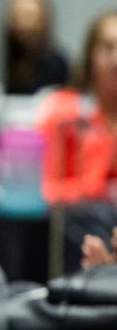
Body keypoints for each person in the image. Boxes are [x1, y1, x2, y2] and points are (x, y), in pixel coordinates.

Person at [36, 10, 117, 205]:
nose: (116, 60)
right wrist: (91, 188)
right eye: (107, 47)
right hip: (69, 227)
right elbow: (44, 190)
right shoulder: (61, 110)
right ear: (91, 55)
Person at [1, 0, 70, 95]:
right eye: (16, 13)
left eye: (28, 15)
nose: (22, 24)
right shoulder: (4, 56)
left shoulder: (57, 63)